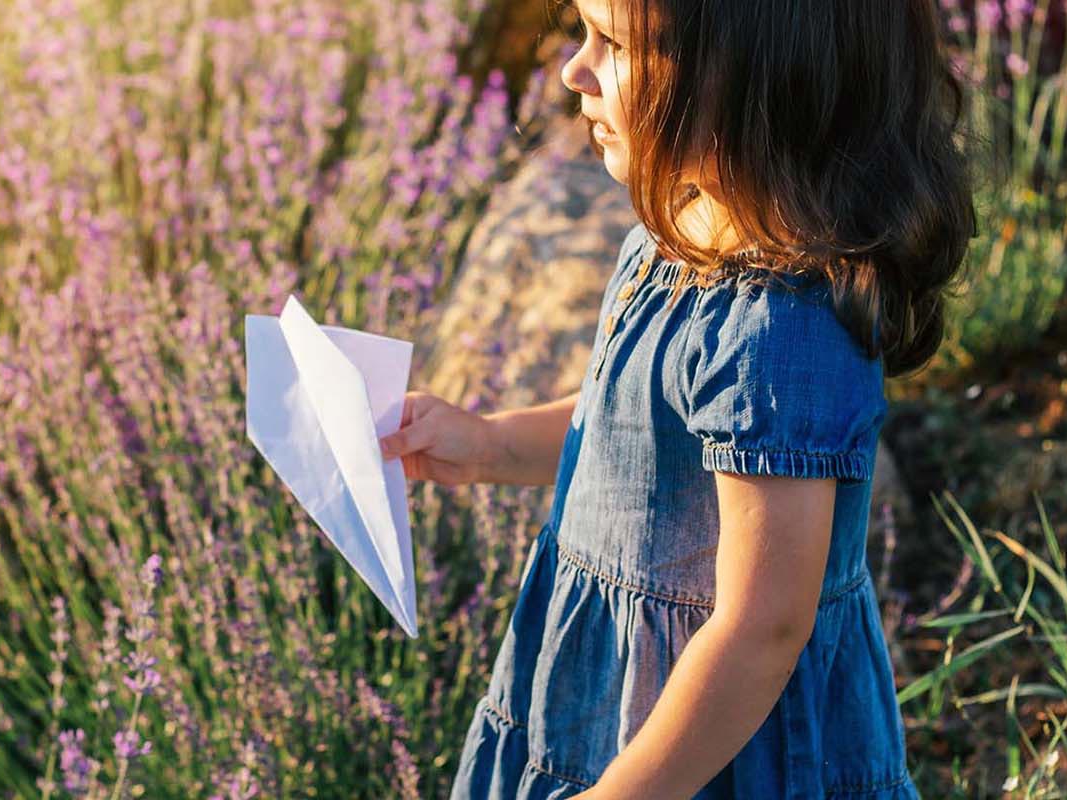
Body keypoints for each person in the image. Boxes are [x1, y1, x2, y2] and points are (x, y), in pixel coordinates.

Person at [376, 0, 976, 796]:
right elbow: (631, 437)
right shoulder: (676, 236)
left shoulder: (782, 331)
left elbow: (763, 627)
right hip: (605, 707)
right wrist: (488, 442)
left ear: (754, 75)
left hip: (712, 756)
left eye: (614, 44)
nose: (572, 71)